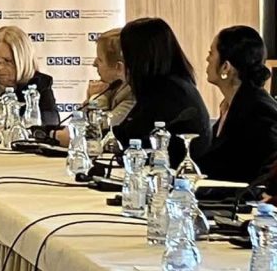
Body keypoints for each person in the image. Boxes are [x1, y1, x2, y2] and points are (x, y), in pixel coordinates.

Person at [112, 17, 211, 166]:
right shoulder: (171, 84)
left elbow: (129, 136)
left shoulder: (169, 91)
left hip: (175, 174)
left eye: (124, 53)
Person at [191, 26, 277, 184]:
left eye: (211, 53)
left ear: (226, 67)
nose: (207, 59)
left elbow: (262, 176)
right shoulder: (231, 104)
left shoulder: (259, 111)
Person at [88, 28, 135, 124]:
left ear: (118, 67)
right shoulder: (113, 86)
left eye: (100, 59)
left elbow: (103, 126)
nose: (94, 64)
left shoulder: (131, 93)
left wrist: (97, 98)